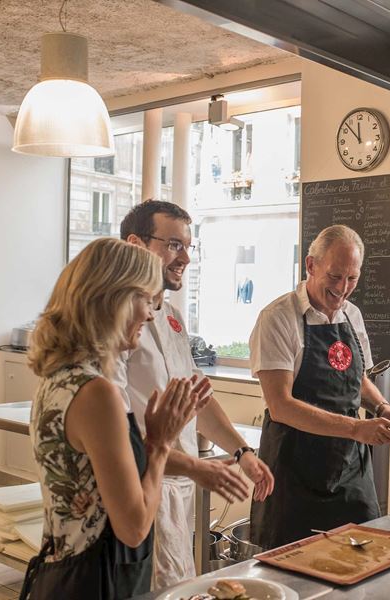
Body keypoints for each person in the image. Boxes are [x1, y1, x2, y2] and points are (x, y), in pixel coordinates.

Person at [23, 238, 208, 599]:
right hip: (95, 583)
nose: (150, 313)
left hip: (61, 574)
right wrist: (159, 443)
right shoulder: (98, 394)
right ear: (113, 300)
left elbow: (108, 468)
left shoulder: (60, 378)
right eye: (144, 299)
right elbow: (135, 527)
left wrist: (197, 468)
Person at [117, 200, 275, 588]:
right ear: (136, 244)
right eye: (173, 245)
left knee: (176, 586)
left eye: (189, 246)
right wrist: (198, 468)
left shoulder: (172, 315)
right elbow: (118, 434)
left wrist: (242, 453)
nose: (185, 257)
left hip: (178, 488)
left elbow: (196, 398)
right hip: (136, 484)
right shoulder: (116, 317)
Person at [248, 224, 390, 549]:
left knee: (363, 558)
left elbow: (357, 378)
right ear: (310, 265)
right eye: (335, 276)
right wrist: (356, 428)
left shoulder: (352, 315)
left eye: (352, 278)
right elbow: (281, 405)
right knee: (293, 574)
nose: (343, 288)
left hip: (350, 470)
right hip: (295, 473)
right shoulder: (278, 319)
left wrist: (381, 406)